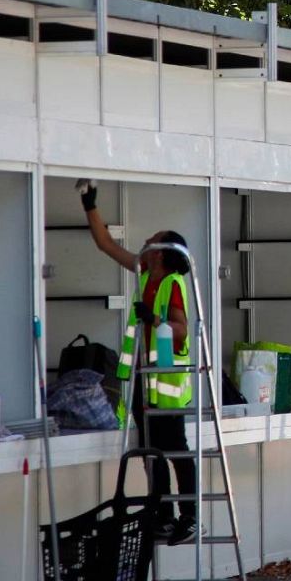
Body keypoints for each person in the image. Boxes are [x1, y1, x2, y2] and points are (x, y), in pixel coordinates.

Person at [80, 180, 200, 545]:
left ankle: (189, 517)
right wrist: (90, 205)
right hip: (141, 382)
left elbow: (180, 331)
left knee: (174, 451)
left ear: (161, 253)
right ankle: (161, 515)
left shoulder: (172, 283)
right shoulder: (144, 275)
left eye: (152, 240)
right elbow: (105, 245)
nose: (145, 243)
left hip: (165, 383)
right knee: (151, 454)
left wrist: (153, 320)